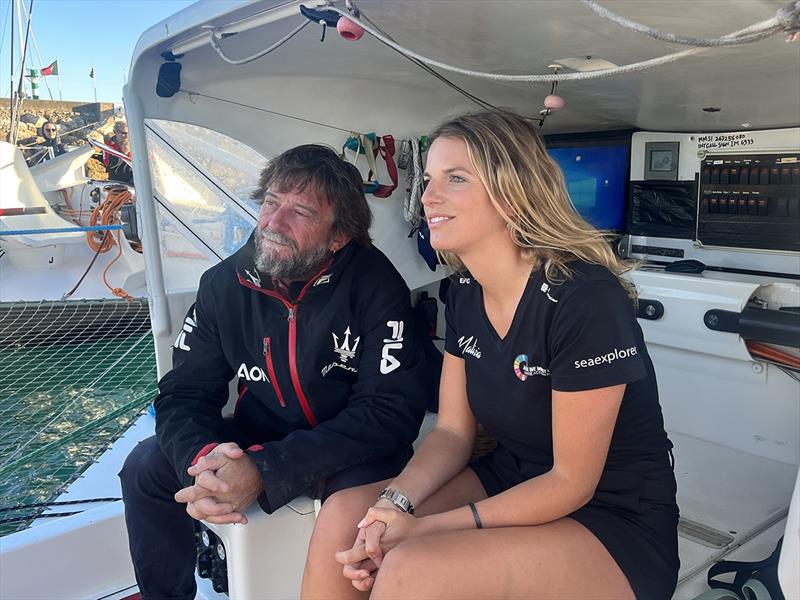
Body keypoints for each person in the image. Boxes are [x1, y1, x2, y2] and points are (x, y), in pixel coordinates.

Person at [303, 110, 679, 600]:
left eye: (455, 179)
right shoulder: (461, 291)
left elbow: (571, 482)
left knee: (412, 567)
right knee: (345, 518)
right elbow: (454, 432)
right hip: (509, 477)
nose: (428, 198)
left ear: (512, 191)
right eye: (429, 180)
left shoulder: (585, 298)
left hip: (611, 515)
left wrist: (425, 530)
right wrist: (394, 504)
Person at [119, 144, 433, 600]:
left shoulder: (376, 286)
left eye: (300, 212)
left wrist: (266, 470)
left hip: (352, 449)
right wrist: (205, 463)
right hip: (262, 433)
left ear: (338, 236)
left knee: (351, 515)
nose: (273, 223)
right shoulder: (224, 285)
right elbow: (184, 393)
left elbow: (389, 413)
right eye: (270, 203)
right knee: (145, 468)